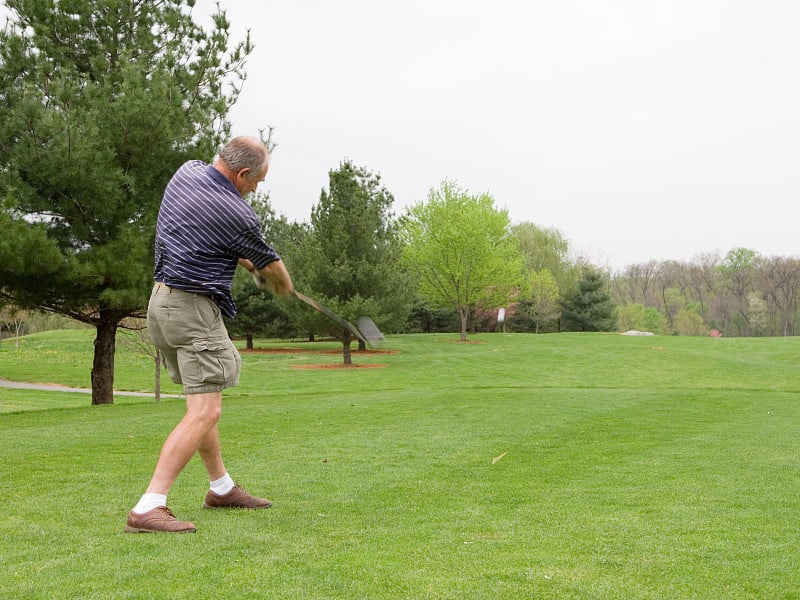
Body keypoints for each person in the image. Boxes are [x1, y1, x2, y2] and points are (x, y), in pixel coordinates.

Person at [125, 136, 295, 534]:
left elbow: (206, 235)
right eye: (257, 181)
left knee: (203, 403)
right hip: (192, 310)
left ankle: (221, 488)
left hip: (161, 305)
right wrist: (282, 287)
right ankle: (149, 504)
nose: (257, 188)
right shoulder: (238, 213)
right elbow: (277, 273)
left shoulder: (186, 173)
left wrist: (245, 262)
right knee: (206, 411)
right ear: (240, 174)